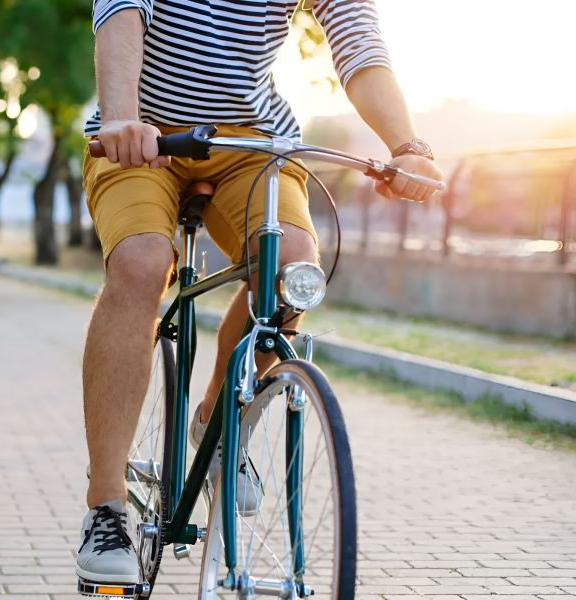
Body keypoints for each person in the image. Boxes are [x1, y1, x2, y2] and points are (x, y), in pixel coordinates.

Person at [76, 0, 444, 588]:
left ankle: (216, 425)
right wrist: (121, 116)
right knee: (142, 263)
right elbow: (121, 9)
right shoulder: (131, 120)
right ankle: (106, 506)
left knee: (294, 269)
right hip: (143, 132)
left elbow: (357, 39)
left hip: (250, 140)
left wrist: (407, 144)